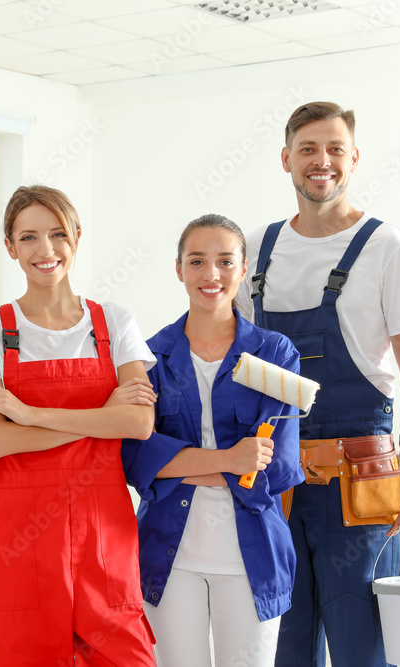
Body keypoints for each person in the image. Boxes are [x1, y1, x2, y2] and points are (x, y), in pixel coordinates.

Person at [236, 102, 400, 667]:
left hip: (362, 488)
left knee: (364, 648)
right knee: (283, 645)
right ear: (286, 159)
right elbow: (227, 363)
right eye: (307, 148)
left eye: (333, 149)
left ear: (353, 158)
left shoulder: (387, 247)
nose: (320, 161)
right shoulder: (255, 249)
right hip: (275, 485)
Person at [0, 185, 157, 665]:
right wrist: (102, 419)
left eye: (57, 234)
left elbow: (139, 422)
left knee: (122, 652)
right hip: (16, 534)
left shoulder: (113, 323)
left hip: (101, 525)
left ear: (76, 238)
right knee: (15, 651)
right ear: (10, 247)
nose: (45, 250)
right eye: (28, 238)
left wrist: (30, 414)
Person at [124, 214, 303, 667]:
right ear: (179, 268)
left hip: (253, 557)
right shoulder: (148, 357)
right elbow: (137, 461)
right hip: (168, 554)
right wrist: (231, 459)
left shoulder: (276, 354)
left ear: (243, 269)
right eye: (197, 261)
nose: (211, 275)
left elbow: (276, 469)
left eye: (225, 261)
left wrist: (178, 466)